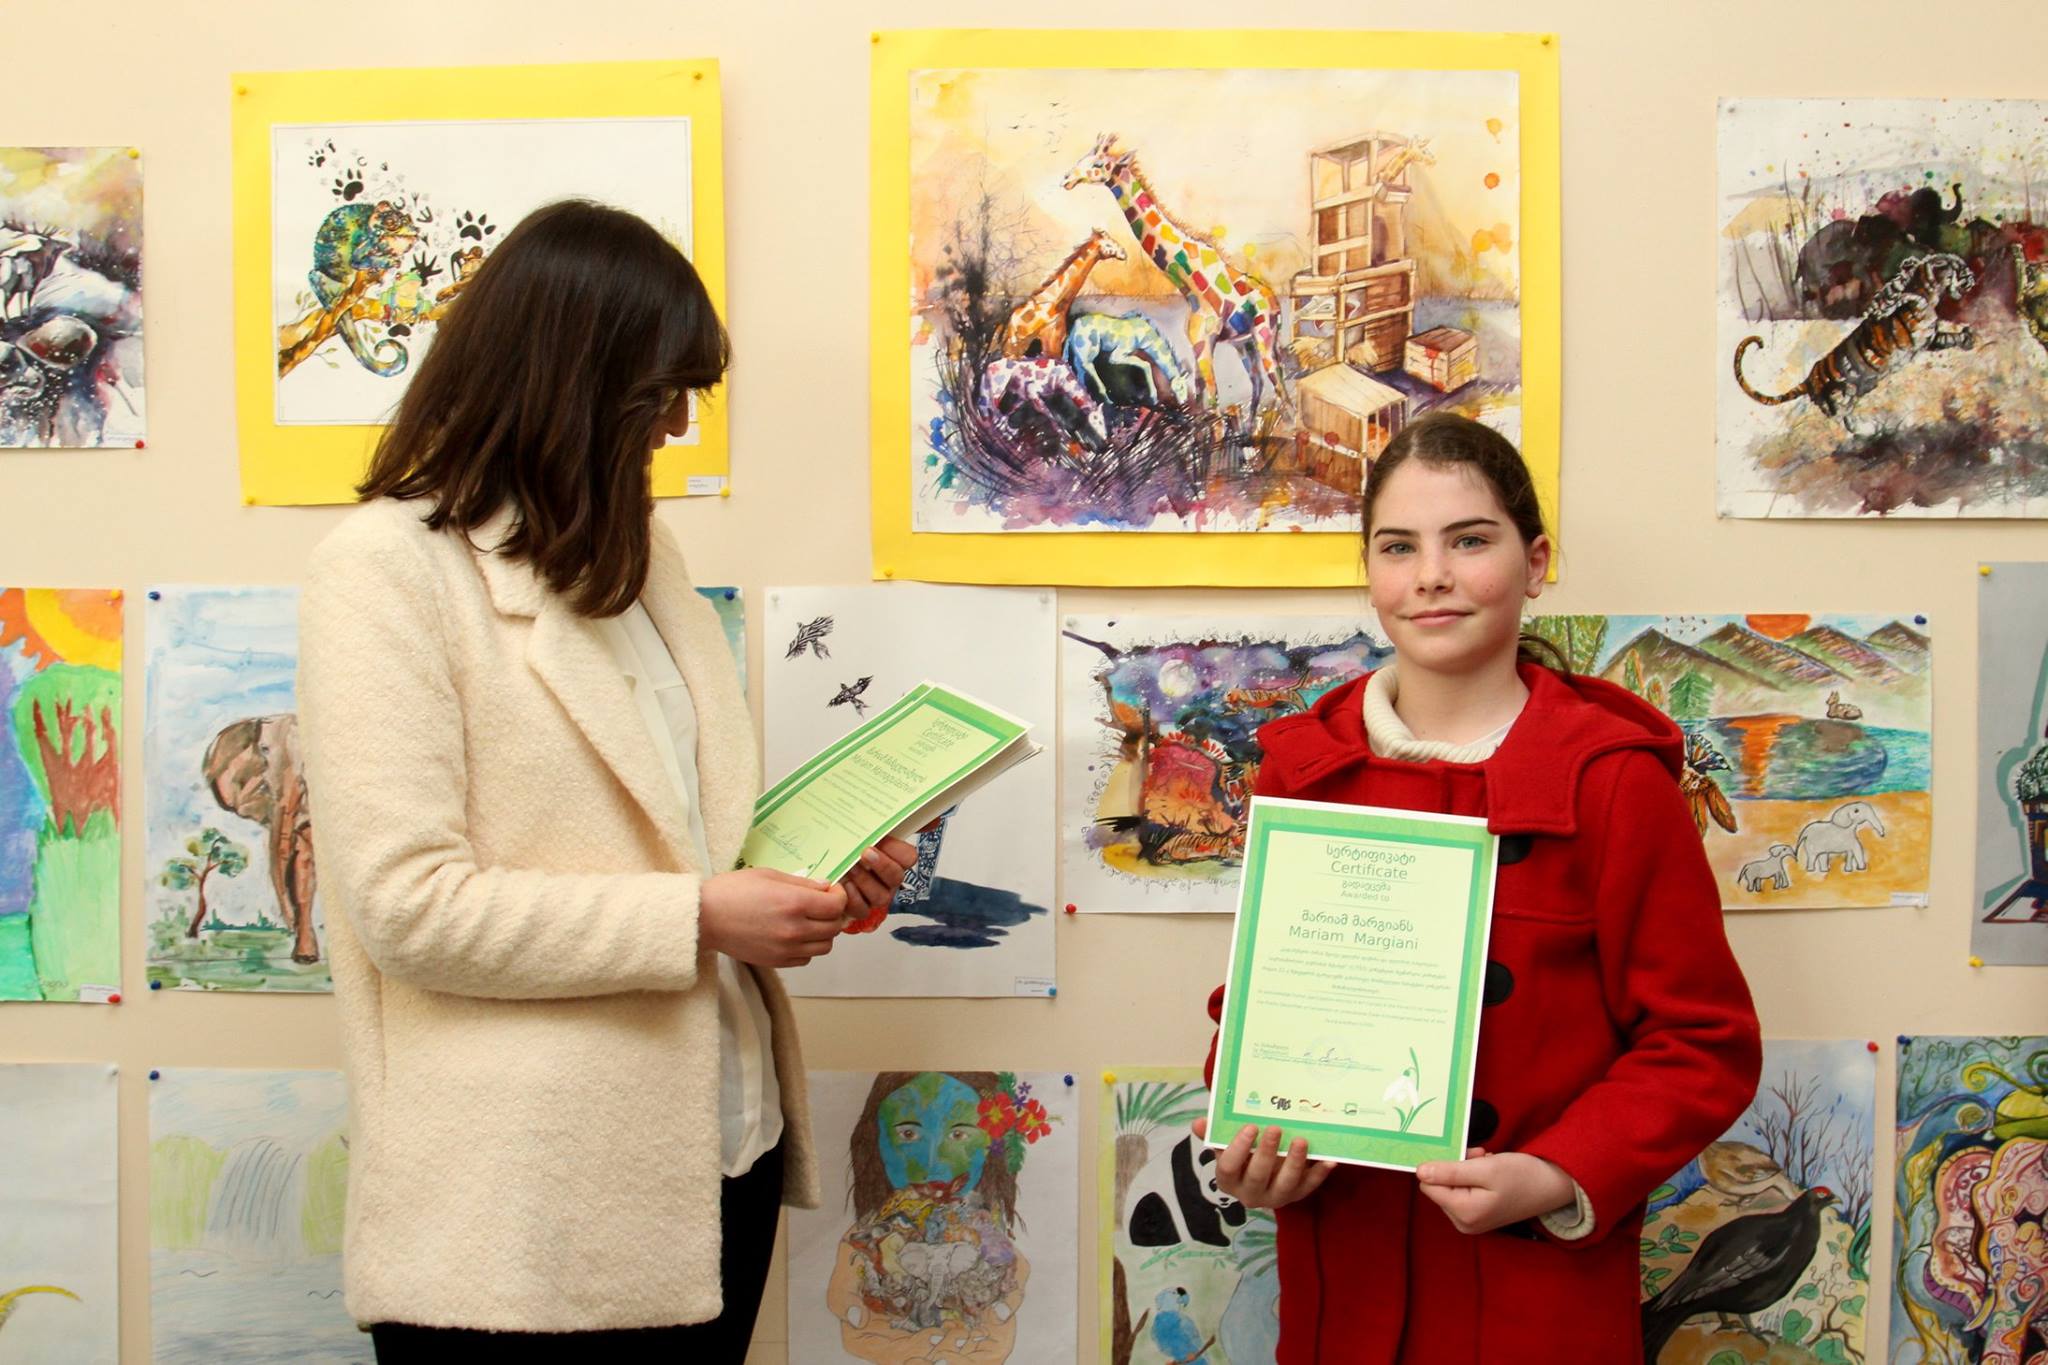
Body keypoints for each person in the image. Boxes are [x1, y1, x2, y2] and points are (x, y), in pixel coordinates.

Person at [298, 199, 918, 1362]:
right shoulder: (383, 572)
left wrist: (816, 875)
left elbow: (677, 838)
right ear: (564, 381)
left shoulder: (640, 555)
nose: (678, 426)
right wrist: (702, 917)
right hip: (522, 1211)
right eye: (659, 394)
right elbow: (406, 909)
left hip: (716, 1155)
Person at [1194, 413, 1762, 1363]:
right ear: (1368, 570)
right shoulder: (1304, 770)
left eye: (1468, 540)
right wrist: (1252, 1138)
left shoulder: (1615, 781)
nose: (1431, 575)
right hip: (1347, 1289)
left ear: (1535, 563)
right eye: (1398, 547)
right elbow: (1268, 995)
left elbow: (1702, 1041)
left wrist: (1559, 1172)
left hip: (1533, 1298)